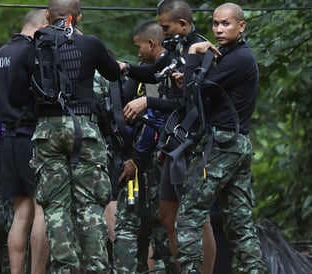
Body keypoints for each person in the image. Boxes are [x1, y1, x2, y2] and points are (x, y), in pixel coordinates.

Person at [119, 1, 216, 273]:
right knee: (166, 214)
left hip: (193, 142)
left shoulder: (199, 50)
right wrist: (125, 67)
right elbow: (152, 71)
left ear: (183, 25)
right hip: (172, 142)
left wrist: (147, 103)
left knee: (197, 217)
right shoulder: (176, 49)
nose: (164, 33)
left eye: (166, 27)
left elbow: (189, 104)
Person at [175, 3, 268, 274]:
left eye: (225, 24)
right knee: (240, 223)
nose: (218, 29)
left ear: (241, 26)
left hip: (223, 146)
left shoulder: (238, 59)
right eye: (215, 23)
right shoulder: (231, 55)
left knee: (190, 214)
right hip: (236, 144)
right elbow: (201, 89)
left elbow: (192, 94)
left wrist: (193, 52)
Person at [29, 0, 120, 272]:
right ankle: (97, 267)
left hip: (47, 130)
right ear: (77, 18)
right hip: (85, 129)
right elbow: (113, 73)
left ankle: (64, 268)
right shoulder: (90, 43)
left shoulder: (33, 45)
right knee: (90, 204)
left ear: (47, 16)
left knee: (55, 206)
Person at [0, 9, 50, 274]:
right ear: (42, 25)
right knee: (42, 208)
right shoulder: (34, 52)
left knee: (21, 213)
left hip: (7, 138)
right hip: (30, 136)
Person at [113, 19, 175, 273]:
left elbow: (155, 123)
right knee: (151, 223)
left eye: (139, 47)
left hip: (154, 160)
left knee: (148, 224)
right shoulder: (146, 72)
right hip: (141, 156)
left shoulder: (163, 73)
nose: (138, 53)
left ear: (152, 43)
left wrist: (136, 160)